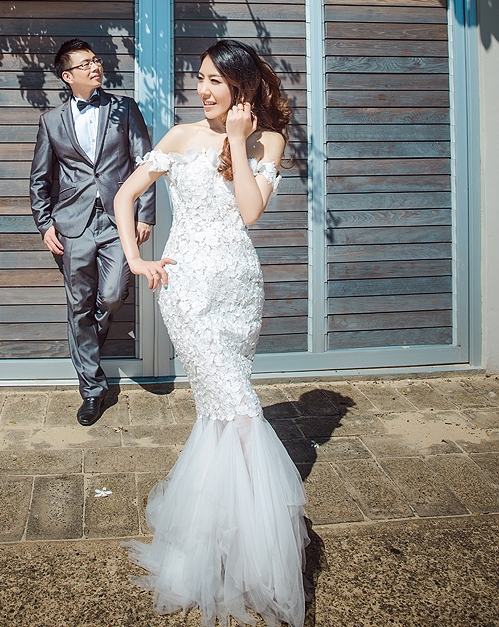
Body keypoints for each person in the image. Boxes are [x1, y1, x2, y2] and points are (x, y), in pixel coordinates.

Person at [114, 39, 308, 627]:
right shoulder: (179, 137)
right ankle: (255, 548)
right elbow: (125, 195)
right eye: (200, 78)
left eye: (215, 81)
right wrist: (136, 260)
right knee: (241, 409)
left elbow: (249, 213)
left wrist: (237, 141)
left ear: (242, 88)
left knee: (223, 411)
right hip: (188, 292)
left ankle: (221, 530)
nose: (203, 90)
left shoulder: (267, 141)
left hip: (239, 291)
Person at [30, 38, 155, 426]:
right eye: (84, 64)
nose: (94, 66)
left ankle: (85, 341)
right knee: (79, 304)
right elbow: (40, 178)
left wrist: (144, 215)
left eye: (96, 60)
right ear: (67, 76)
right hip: (73, 225)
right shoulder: (51, 121)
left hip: (119, 222)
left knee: (113, 294)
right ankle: (92, 390)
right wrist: (44, 223)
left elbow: (146, 164)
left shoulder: (124, 108)